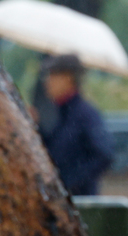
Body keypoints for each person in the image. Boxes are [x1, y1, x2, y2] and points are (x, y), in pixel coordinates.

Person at [39, 54, 116, 196]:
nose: (48, 82)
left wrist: (68, 182)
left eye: (52, 76)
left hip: (81, 203)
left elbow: (103, 154)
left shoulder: (85, 114)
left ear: (68, 78)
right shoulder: (61, 113)